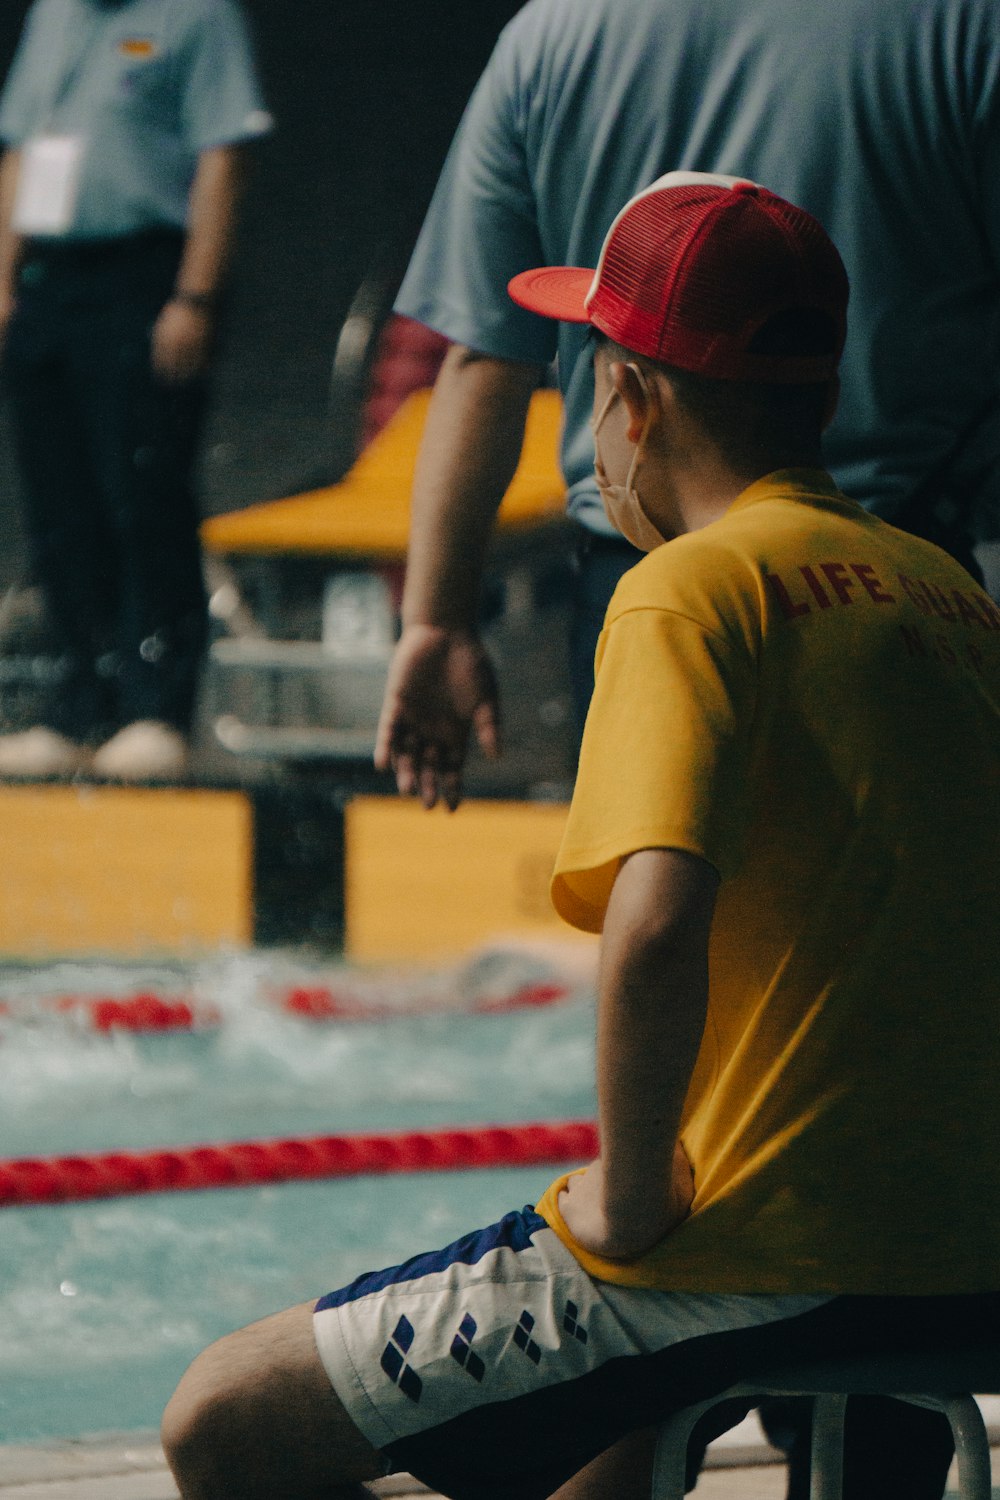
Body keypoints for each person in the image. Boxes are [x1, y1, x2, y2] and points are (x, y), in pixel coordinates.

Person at [160, 174, 1000, 1500]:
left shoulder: (689, 593)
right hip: (970, 1257)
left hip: (771, 1255)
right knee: (611, 1422)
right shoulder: (947, 594)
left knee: (221, 1421)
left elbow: (654, 928)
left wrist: (619, 1202)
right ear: (823, 394)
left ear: (629, 395)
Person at [375, 0, 1000, 812]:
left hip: (634, 572)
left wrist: (437, 618)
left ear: (626, 400)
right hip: (901, 586)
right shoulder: (962, 25)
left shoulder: (553, 32)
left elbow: (483, 357)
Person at [0, 0, 272, 780]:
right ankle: (79, 700)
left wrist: (194, 296)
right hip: (51, 279)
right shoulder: (55, 13)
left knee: (142, 490)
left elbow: (225, 155)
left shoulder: (198, 16)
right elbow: (22, 149)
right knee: (60, 500)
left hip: (144, 275)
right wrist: (5, 283)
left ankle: (157, 706)